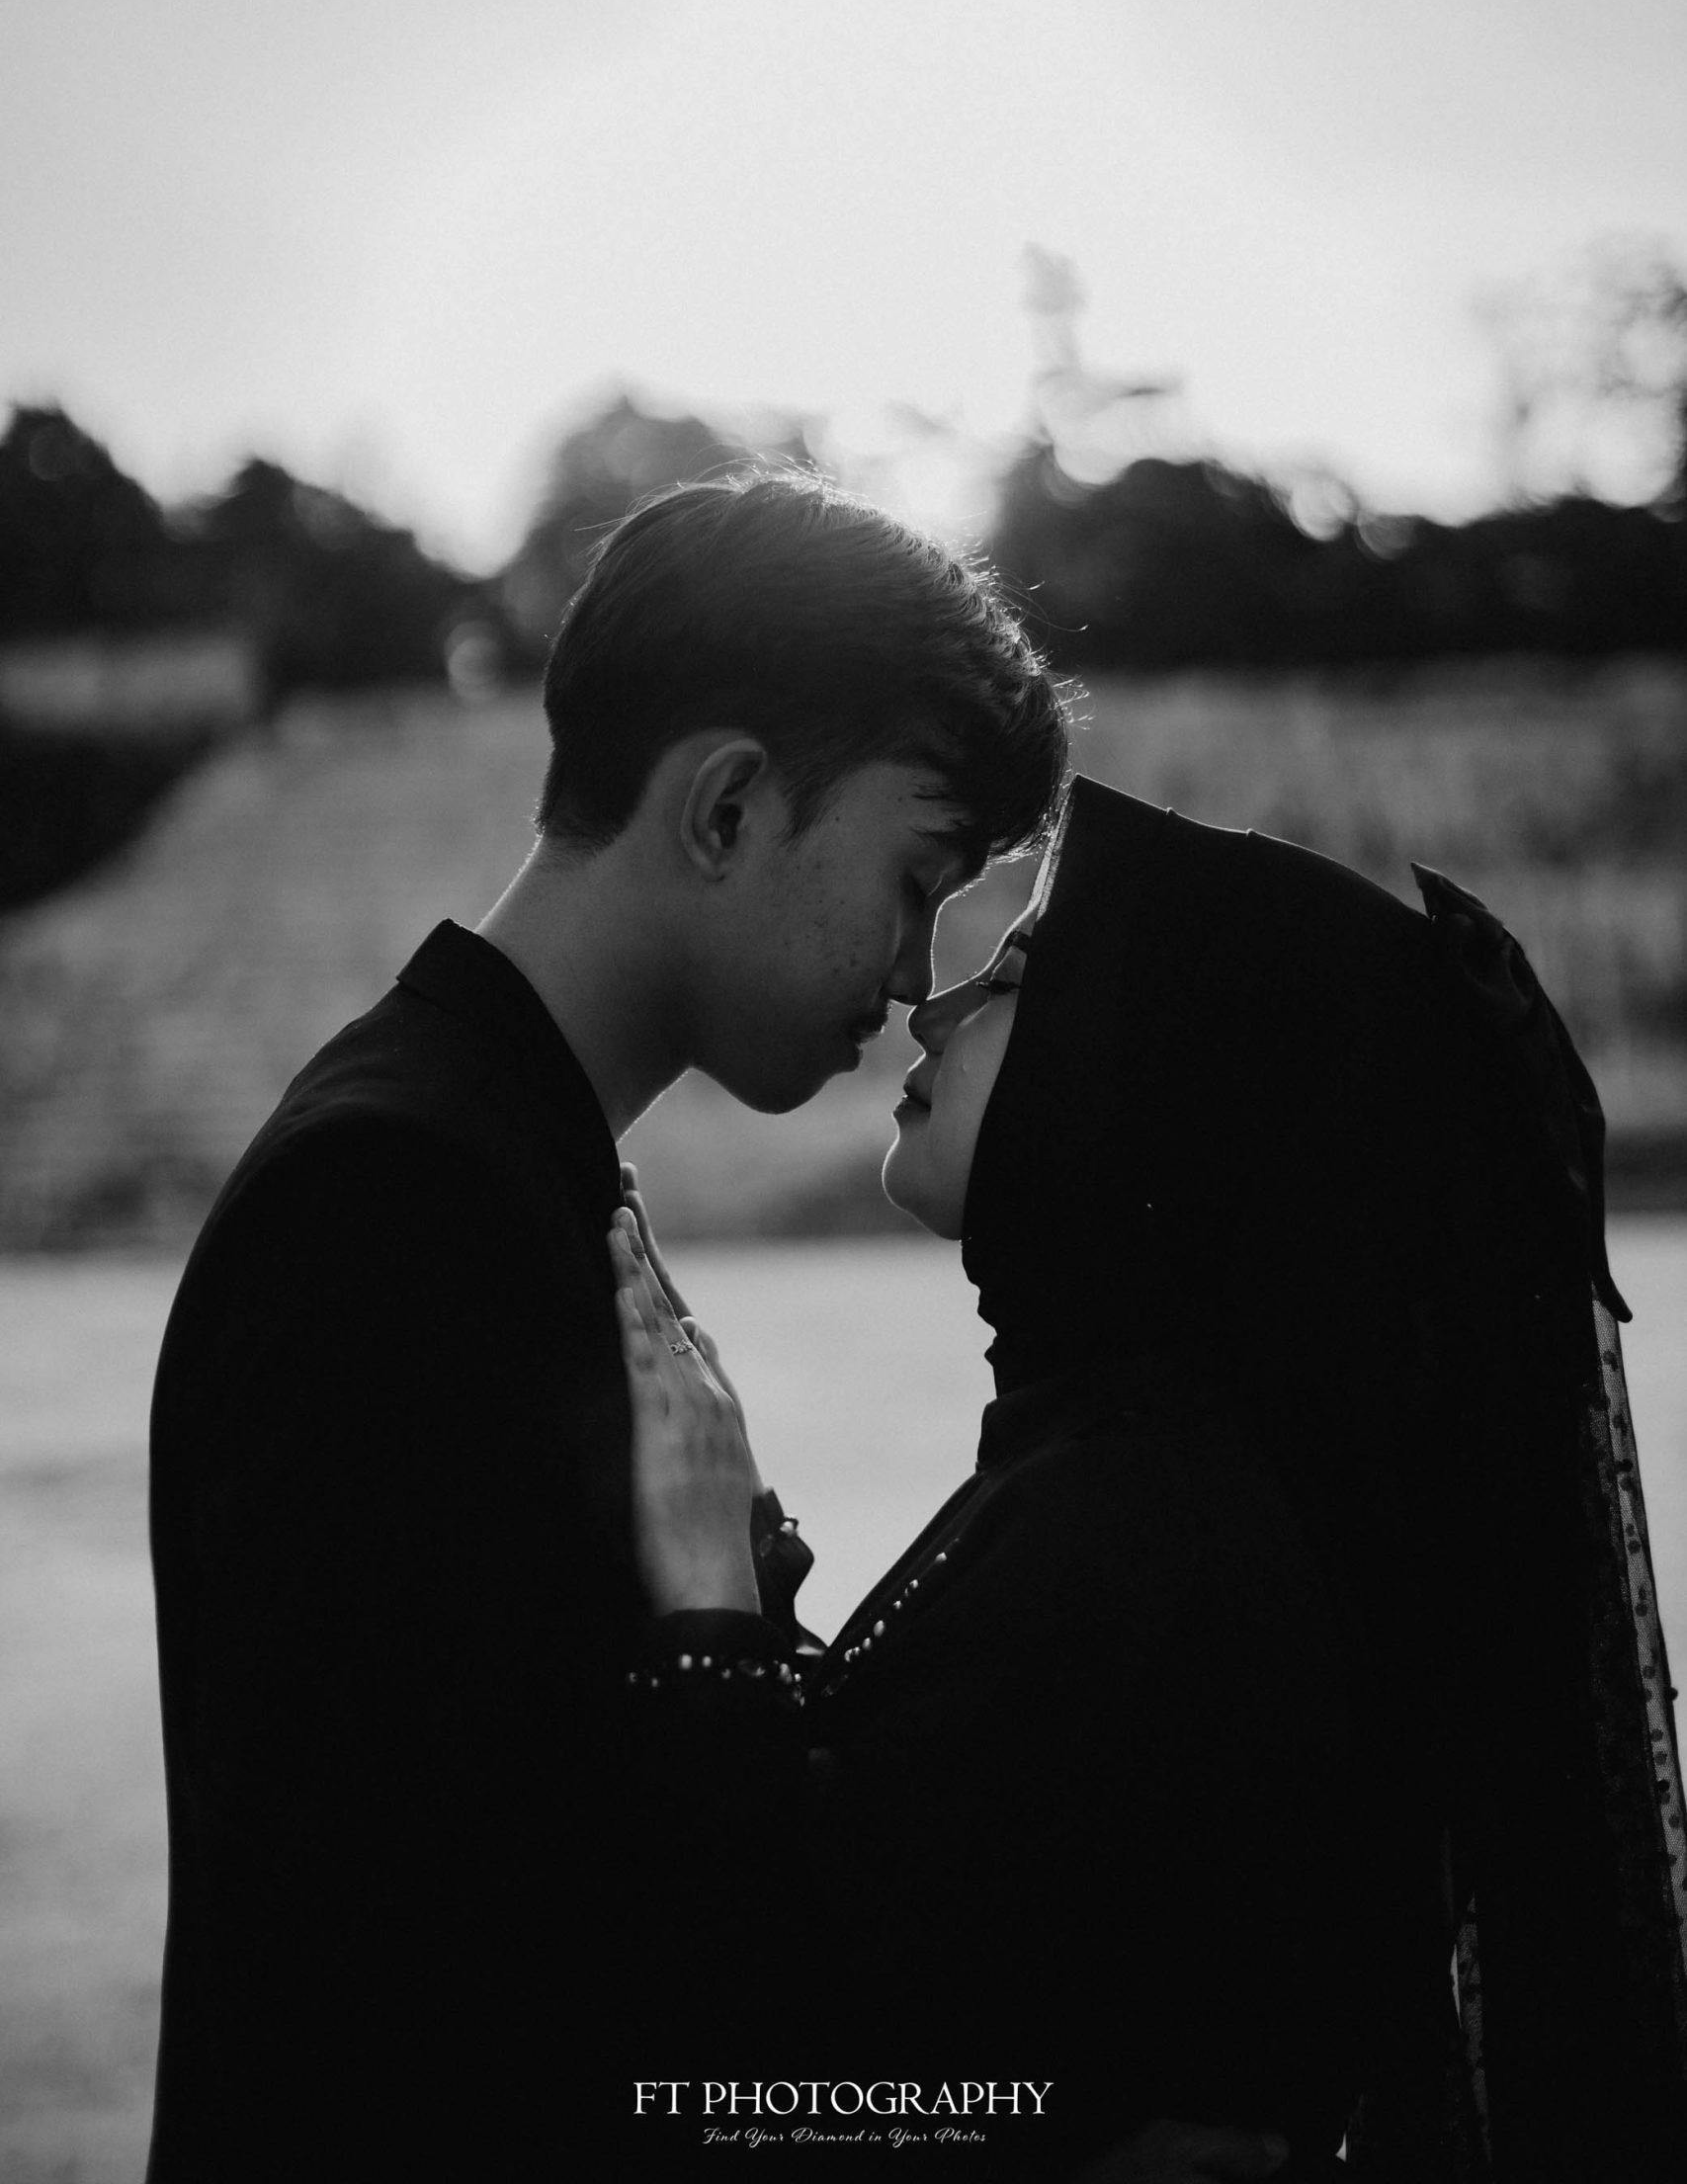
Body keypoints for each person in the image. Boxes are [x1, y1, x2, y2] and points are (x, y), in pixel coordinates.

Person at [143, 470, 1070, 2182]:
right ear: (726, 807)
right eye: (917, 877)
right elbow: (418, 1987)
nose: (912, 977)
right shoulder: (396, 1200)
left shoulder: (499, 1153)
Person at [614, 775, 1687, 2180]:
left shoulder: (1150, 1536)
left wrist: (705, 1613)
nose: (933, 1008)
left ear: (1165, 1080)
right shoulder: (1156, 1478)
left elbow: (776, 2081)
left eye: (1015, 977)